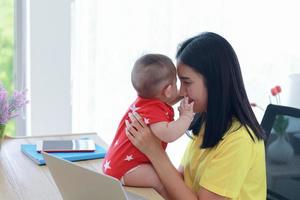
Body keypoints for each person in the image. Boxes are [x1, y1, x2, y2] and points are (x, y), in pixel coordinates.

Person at [126, 32, 267, 200]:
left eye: (187, 82)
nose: (181, 92)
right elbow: (181, 182)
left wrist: (154, 151)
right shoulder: (207, 120)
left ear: (214, 82)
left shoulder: (240, 140)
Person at [102, 54, 194, 199]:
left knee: (165, 176)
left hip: (116, 165)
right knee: (162, 182)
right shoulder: (154, 111)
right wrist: (186, 117)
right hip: (127, 169)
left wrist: (184, 96)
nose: (180, 89)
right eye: (177, 83)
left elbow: (167, 100)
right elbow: (169, 134)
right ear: (168, 90)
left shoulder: (145, 103)